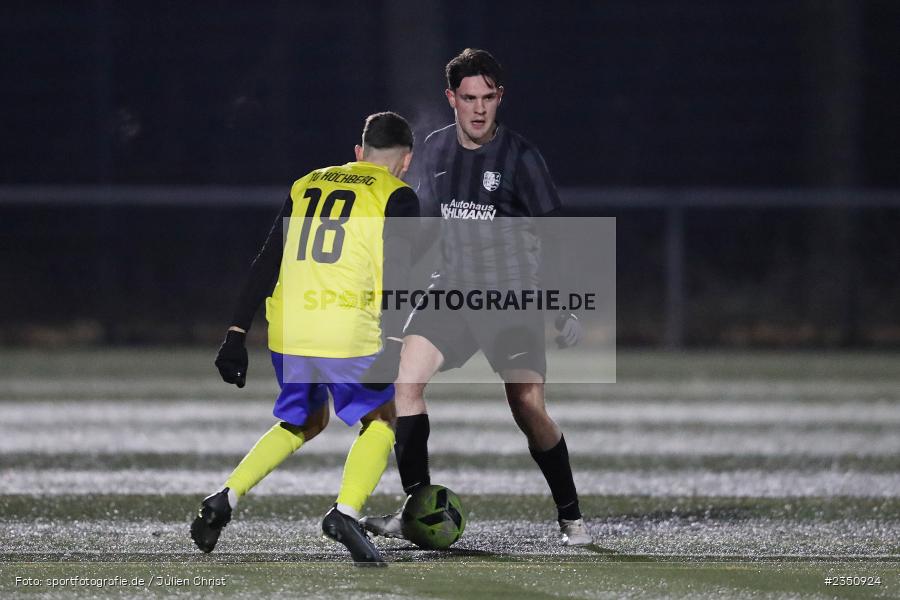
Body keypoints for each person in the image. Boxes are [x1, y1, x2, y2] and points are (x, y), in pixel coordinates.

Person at [360, 49, 592, 545]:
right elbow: (421, 228)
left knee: (527, 405)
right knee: (405, 384)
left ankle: (571, 515)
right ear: (452, 99)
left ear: (499, 97)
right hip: (451, 291)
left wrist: (565, 303)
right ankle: (416, 509)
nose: (480, 108)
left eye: (488, 97)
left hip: (511, 298)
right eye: (469, 98)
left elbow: (558, 235)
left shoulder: (522, 158)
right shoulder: (435, 151)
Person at [190, 111, 420, 566]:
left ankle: (224, 498)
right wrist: (393, 345)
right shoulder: (398, 195)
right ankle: (346, 513)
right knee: (382, 419)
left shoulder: (307, 183)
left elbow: (267, 260)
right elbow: (401, 277)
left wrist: (236, 332)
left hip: (290, 328)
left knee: (305, 421)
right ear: (406, 161)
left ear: (359, 153)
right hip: (347, 327)